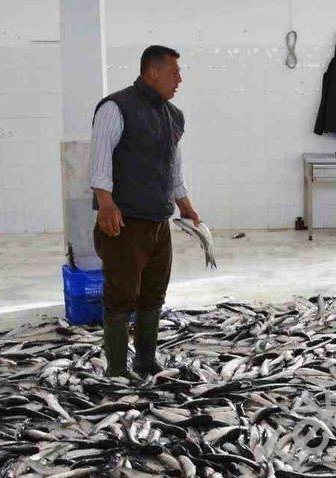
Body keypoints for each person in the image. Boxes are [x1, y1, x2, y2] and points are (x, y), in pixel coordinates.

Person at [90, 45, 202, 379]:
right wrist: (105, 203)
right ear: (152, 71)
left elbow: (173, 166)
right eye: (174, 72)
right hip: (124, 221)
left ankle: (145, 361)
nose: (179, 79)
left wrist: (185, 204)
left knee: (153, 293)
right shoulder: (116, 107)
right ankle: (115, 368)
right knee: (121, 296)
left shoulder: (174, 115)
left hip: (158, 220)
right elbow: (100, 157)